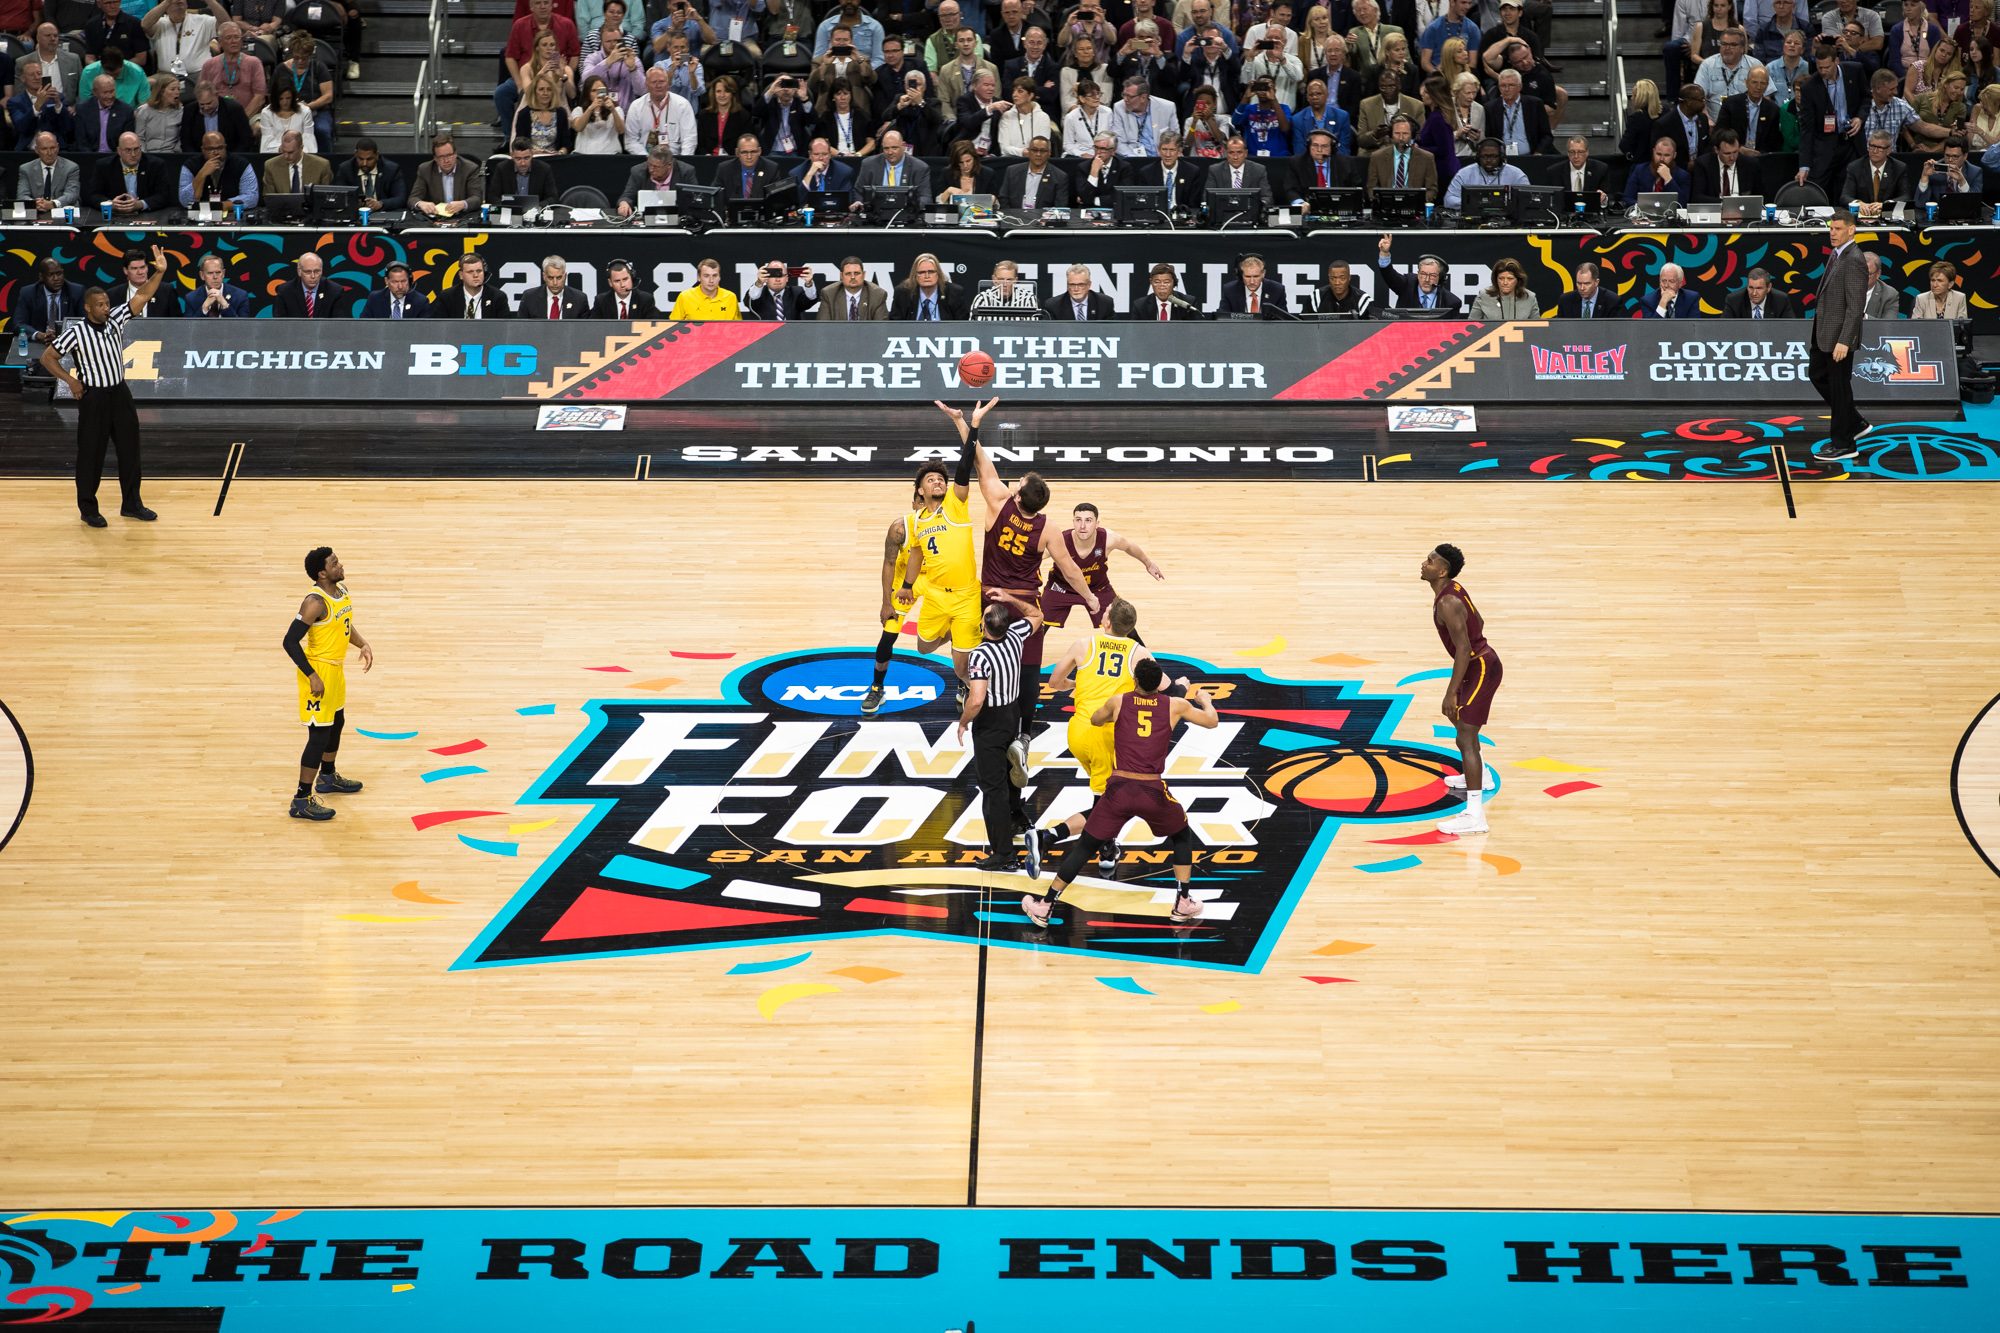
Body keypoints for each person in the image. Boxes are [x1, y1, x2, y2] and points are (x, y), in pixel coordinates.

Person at [1022, 657, 1215, 927]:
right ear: (1159, 685)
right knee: (1182, 834)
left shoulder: (1120, 701)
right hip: (1151, 788)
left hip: (1120, 788)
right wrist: (1205, 700)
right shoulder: (1175, 705)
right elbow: (1211, 722)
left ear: (1135, 681)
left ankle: (1045, 905)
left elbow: (1096, 719)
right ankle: (1183, 901)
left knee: (1086, 846)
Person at [968, 426, 1099, 739]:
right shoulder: (1048, 528)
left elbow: (979, 460)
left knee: (986, 659)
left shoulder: (998, 504)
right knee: (1028, 672)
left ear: (1016, 494)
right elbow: (1069, 570)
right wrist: (1090, 597)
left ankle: (985, 717)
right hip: (1026, 606)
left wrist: (967, 424)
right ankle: (1024, 736)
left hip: (991, 601)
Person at [42, 245, 166, 528]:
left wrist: (159, 272)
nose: (106, 308)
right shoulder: (76, 332)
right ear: (88, 308)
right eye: (100, 305)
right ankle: (88, 509)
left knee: (130, 450)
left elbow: (143, 295)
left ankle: (132, 504)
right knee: (91, 454)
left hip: (119, 393)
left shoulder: (116, 320)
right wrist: (71, 380)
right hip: (94, 397)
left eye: (107, 304)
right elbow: (48, 357)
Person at [896, 399, 997, 708]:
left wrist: (970, 423)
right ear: (920, 492)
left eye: (941, 478)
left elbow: (966, 464)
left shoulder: (956, 502)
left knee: (960, 666)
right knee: (924, 647)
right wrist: (908, 587)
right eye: (931, 479)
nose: (938, 480)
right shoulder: (916, 521)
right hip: (937, 595)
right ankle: (959, 636)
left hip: (966, 595)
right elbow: (915, 556)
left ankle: (966, 682)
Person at [281, 547, 374, 822]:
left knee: (337, 722)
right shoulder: (314, 602)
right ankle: (301, 799)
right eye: (334, 563)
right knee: (318, 735)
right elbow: (289, 641)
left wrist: (363, 643)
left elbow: (345, 625)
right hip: (318, 672)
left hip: (335, 670)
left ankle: (328, 776)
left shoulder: (341, 591)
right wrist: (311, 675)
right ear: (322, 573)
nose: (340, 564)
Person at [1423, 542, 1501, 835]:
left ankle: (1474, 815)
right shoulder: (1452, 590)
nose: (1424, 563)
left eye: (1430, 561)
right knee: (1459, 724)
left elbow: (1464, 647)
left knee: (1465, 736)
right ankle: (1482, 776)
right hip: (1478, 663)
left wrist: (1451, 691)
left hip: (1479, 667)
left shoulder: (1447, 602)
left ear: (1442, 570)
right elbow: (1479, 621)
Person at [1811, 211, 1871, 461]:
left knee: (1839, 387)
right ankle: (1854, 422)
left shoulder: (1854, 259)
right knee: (1815, 374)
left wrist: (1845, 340)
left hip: (1838, 339)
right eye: (1831, 228)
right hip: (1824, 333)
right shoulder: (1838, 255)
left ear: (1851, 230)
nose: (1832, 233)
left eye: (1837, 229)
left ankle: (1845, 444)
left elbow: (1855, 307)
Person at [88, 131, 173, 213]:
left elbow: (164, 195)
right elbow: (94, 195)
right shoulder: (104, 166)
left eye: (136, 149)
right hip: (115, 216)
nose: (133, 154)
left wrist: (141, 204)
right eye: (128, 150)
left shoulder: (156, 165)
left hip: (147, 215)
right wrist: (110, 204)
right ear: (119, 151)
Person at [1374, 233, 1463, 311]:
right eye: (1423, 274)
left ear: (1440, 278)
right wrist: (1384, 253)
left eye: (1432, 275)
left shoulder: (1452, 303)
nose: (1427, 279)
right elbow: (1389, 275)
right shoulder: (1407, 285)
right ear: (1418, 273)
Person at [15, 258, 84, 357]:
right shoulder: (28, 293)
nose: (56, 278)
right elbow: (19, 324)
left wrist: (63, 336)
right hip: (38, 346)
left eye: (59, 273)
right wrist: (39, 335)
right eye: (51, 275)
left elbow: (84, 323)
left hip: (68, 346)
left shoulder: (76, 292)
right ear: (41, 277)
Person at [1441, 133, 1528, 209]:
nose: (1489, 160)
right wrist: (1475, 203)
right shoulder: (1464, 174)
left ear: (1502, 157)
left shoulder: (1517, 175)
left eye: (1494, 156)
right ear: (1478, 157)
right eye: (1485, 156)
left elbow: (1527, 199)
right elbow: (1449, 200)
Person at [408, 134, 484, 218]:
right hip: (436, 218)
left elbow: (477, 198)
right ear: (435, 159)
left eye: (449, 155)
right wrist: (421, 204)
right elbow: (413, 198)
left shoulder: (470, 168)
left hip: (462, 217)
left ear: (455, 154)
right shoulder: (425, 170)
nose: (446, 160)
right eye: (441, 157)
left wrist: (463, 204)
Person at [1365, 113, 1439, 197]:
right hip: (1387, 205)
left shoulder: (1427, 158)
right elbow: (1371, 187)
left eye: (1405, 133)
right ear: (1391, 135)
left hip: (1413, 205)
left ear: (1412, 135)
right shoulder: (1377, 157)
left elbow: (1432, 189)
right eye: (1397, 133)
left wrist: (1418, 202)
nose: (1401, 138)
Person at [1840, 129, 1913, 211]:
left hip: (1887, 216)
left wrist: (1885, 205)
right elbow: (1845, 197)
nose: (1875, 151)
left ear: (1888, 150)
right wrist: (1858, 203)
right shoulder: (1855, 167)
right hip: (1863, 215)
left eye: (1880, 148)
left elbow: (1906, 197)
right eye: (1872, 146)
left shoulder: (1899, 168)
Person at [179, 77, 254, 152]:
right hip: (199, 158)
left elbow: (246, 139)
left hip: (231, 157)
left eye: (209, 103)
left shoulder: (234, 109)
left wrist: (232, 160)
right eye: (202, 104)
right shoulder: (190, 110)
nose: (206, 107)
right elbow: (186, 142)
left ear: (216, 95)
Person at [617, 143, 692, 215]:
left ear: (669, 165)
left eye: (656, 167)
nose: (651, 170)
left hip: (678, 218)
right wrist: (624, 203)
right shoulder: (638, 171)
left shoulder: (685, 172)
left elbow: (693, 200)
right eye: (649, 164)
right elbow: (627, 195)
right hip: (646, 219)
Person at [334, 137, 407, 211]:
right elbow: (338, 196)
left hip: (383, 213)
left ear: (377, 155)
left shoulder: (391, 169)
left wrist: (381, 204)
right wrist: (354, 202)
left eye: (369, 159)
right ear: (355, 154)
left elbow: (401, 198)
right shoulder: (346, 169)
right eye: (361, 159)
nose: (364, 163)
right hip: (355, 213)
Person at [997, 134, 1071, 206]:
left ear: (1049, 153)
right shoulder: (1012, 171)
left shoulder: (1060, 177)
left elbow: (1060, 206)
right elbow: (1003, 199)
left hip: (1044, 217)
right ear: (1028, 152)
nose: (1038, 154)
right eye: (1034, 150)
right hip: (1015, 216)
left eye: (1043, 151)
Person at [890, 252, 969, 319]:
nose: (927, 276)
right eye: (921, 272)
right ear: (915, 275)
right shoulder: (903, 293)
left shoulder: (954, 293)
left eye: (931, 272)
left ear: (938, 274)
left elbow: (962, 326)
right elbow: (894, 326)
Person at [433, 253, 512, 319]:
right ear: (461, 275)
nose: (475, 275)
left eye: (479, 271)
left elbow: (505, 329)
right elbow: (440, 329)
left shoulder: (497, 297)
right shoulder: (447, 297)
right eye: (470, 272)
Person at [17, 131, 82, 210]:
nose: (49, 153)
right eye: (44, 149)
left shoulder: (71, 167)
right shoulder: (26, 169)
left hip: (62, 211)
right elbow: (22, 195)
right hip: (37, 211)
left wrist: (53, 204)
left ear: (58, 147)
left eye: (52, 148)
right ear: (37, 150)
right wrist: (35, 204)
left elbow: (72, 194)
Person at [1692, 126, 1763, 198]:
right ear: (1716, 150)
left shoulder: (1751, 164)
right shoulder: (1703, 164)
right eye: (1727, 153)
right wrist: (1725, 203)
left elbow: (1761, 196)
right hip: (1716, 208)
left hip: (1744, 208)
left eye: (1735, 152)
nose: (1732, 157)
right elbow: (1697, 197)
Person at [487, 137, 560, 204]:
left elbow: (553, 197)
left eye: (526, 158)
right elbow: (492, 196)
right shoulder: (502, 168)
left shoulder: (544, 169)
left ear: (532, 154)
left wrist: (537, 207)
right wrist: (507, 207)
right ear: (512, 156)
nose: (523, 163)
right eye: (518, 159)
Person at [261, 128, 331, 197]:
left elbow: (325, 197)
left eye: (290, 152)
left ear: (301, 148)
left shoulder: (321, 165)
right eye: (283, 151)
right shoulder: (271, 166)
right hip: (283, 208)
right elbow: (268, 198)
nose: (286, 156)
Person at [1624, 133, 1692, 203]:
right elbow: (1627, 198)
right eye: (1658, 154)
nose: (1662, 159)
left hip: (1669, 213)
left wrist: (1668, 179)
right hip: (1643, 212)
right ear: (1653, 152)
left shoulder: (1683, 176)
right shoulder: (1639, 170)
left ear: (1674, 155)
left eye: (1667, 155)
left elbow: (1682, 204)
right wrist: (1645, 207)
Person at [819, 255, 890, 321]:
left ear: (864, 274)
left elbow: (881, 329)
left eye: (856, 273)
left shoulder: (877, 295)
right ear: (841, 276)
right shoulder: (829, 294)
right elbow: (823, 328)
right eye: (848, 274)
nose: (852, 277)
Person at [744, 259, 819, 320]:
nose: (777, 279)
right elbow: (751, 298)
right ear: (766, 278)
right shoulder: (758, 293)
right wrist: (759, 282)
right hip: (765, 335)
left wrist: (809, 283)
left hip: (792, 335)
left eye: (781, 275)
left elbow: (811, 298)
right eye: (773, 275)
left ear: (787, 278)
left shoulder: (796, 292)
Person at [668, 256, 741, 320]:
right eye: (706, 276)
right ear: (699, 277)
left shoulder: (731, 297)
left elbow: (738, 328)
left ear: (719, 277)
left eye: (715, 275)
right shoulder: (685, 297)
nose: (711, 280)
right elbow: (672, 326)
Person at [1218, 252, 1289, 315]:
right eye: (1247, 276)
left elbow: (1283, 321)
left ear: (1263, 273)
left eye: (1256, 276)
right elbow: (1222, 318)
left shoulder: (1277, 290)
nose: (1252, 281)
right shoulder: (1230, 290)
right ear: (1241, 275)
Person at [274, 251, 341, 317]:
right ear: (299, 271)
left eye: (317, 271)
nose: (313, 276)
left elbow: (339, 324)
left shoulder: (334, 291)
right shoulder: (285, 291)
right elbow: (279, 324)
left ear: (322, 270)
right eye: (308, 272)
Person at [184, 252, 251, 317]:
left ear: (223, 273)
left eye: (218, 272)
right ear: (202, 275)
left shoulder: (240, 296)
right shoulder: (191, 298)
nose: (215, 277)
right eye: (210, 273)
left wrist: (225, 305)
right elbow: (189, 327)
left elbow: (243, 326)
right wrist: (204, 308)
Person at [1467, 257, 1538, 318]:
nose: (1505, 282)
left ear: (1518, 280)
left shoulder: (1530, 297)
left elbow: (1537, 328)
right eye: (1501, 278)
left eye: (1510, 279)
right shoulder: (1484, 295)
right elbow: (1471, 326)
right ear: (1495, 279)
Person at [524, 254, 589, 320]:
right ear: (544, 276)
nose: (555, 283)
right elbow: (520, 327)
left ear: (565, 276)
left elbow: (585, 328)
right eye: (550, 278)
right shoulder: (530, 297)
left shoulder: (579, 299)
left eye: (559, 277)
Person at [790, 135, 858, 196]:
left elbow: (846, 200)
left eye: (825, 154)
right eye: (816, 154)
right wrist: (809, 174)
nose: (821, 158)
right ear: (810, 155)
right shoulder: (797, 173)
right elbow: (797, 201)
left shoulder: (844, 172)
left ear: (830, 155)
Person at [591, 258, 658, 319]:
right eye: (617, 281)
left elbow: (652, 328)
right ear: (610, 283)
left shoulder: (645, 300)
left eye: (625, 279)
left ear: (632, 278)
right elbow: (594, 328)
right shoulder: (601, 301)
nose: (622, 285)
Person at [1720, 266, 1796, 318]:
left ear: (1768, 287)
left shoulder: (1781, 300)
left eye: (1759, 288)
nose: (1754, 293)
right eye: (1751, 287)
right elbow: (1723, 329)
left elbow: (1791, 329)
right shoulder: (1734, 300)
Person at [359, 262, 428, 319]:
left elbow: (425, 330)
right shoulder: (375, 298)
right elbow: (364, 325)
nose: (400, 286)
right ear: (386, 281)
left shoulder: (420, 301)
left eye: (403, 281)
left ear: (410, 281)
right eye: (395, 282)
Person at [1555, 261, 1625, 317]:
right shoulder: (1565, 301)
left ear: (1596, 282)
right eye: (1579, 283)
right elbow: (1560, 329)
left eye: (1587, 284)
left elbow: (1616, 331)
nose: (1582, 288)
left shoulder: (1612, 301)